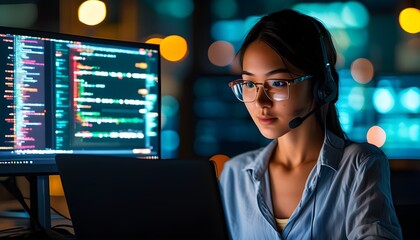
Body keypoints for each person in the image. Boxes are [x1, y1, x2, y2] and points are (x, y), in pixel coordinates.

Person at [219, 9, 403, 239]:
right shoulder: (235, 174)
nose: (260, 101)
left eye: (277, 82)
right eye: (248, 84)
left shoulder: (359, 165)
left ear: (322, 87)